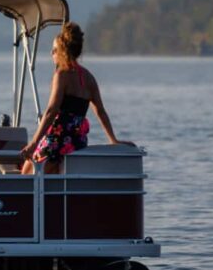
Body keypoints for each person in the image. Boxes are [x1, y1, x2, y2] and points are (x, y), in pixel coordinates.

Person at [20, 22, 135, 174]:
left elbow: (51, 111)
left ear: (61, 51)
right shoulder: (89, 78)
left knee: (26, 177)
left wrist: (34, 143)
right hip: (77, 142)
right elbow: (100, 111)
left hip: (57, 141)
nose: (51, 54)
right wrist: (113, 139)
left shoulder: (62, 75)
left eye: (54, 50)